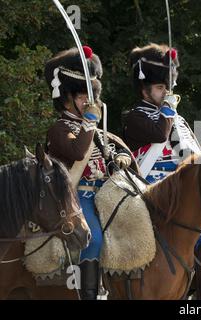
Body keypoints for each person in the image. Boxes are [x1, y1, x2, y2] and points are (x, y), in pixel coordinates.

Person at [44, 46, 133, 299]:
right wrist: (90, 123)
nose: (88, 102)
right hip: (76, 196)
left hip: (105, 193)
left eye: (90, 97)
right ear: (66, 98)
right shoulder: (60, 128)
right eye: (82, 97)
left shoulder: (93, 129)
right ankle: (90, 295)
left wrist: (120, 158)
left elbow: (108, 156)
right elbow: (76, 151)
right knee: (91, 239)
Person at [123, 43, 201, 183]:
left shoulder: (176, 118)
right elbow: (159, 135)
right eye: (160, 87)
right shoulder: (134, 117)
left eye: (167, 87)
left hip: (181, 182)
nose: (166, 92)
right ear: (144, 90)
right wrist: (167, 110)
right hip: (148, 185)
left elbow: (192, 152)